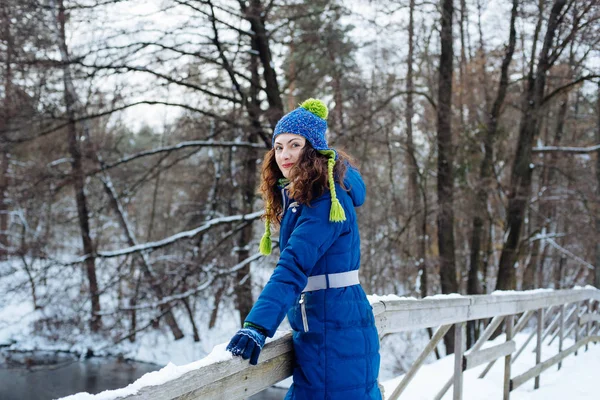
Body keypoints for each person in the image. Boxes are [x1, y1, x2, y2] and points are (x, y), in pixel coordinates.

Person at [226, 99, 382, 400]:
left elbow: (293, 266)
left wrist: (257, 326)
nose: (285, 155)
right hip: (328, 322)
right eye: (279, 146)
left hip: (334, 330)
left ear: (312, 149)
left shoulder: (324, 199)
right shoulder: (308, 193)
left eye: (295, 145)